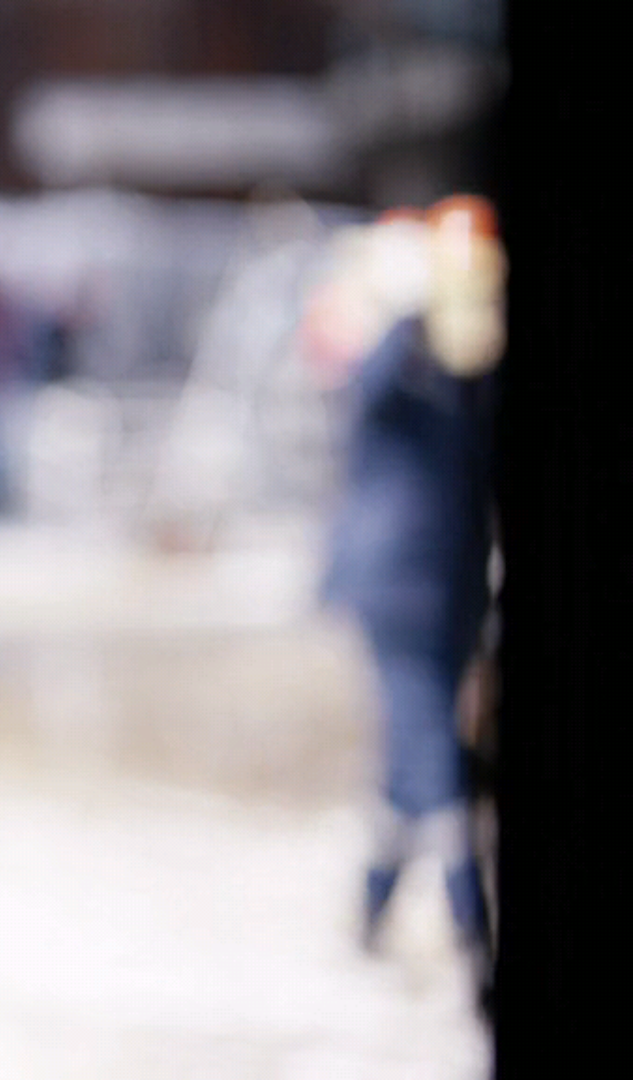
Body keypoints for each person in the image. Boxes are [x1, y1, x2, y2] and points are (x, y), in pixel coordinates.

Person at [318, 196, 502, 984]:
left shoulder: (471, 370)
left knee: (410, 755)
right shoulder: (391, 358)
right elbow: (369, 382)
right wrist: (417, 290)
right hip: (396, 588)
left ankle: (374, 906)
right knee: (432, 750)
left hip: (456, 586)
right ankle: (472, 926)